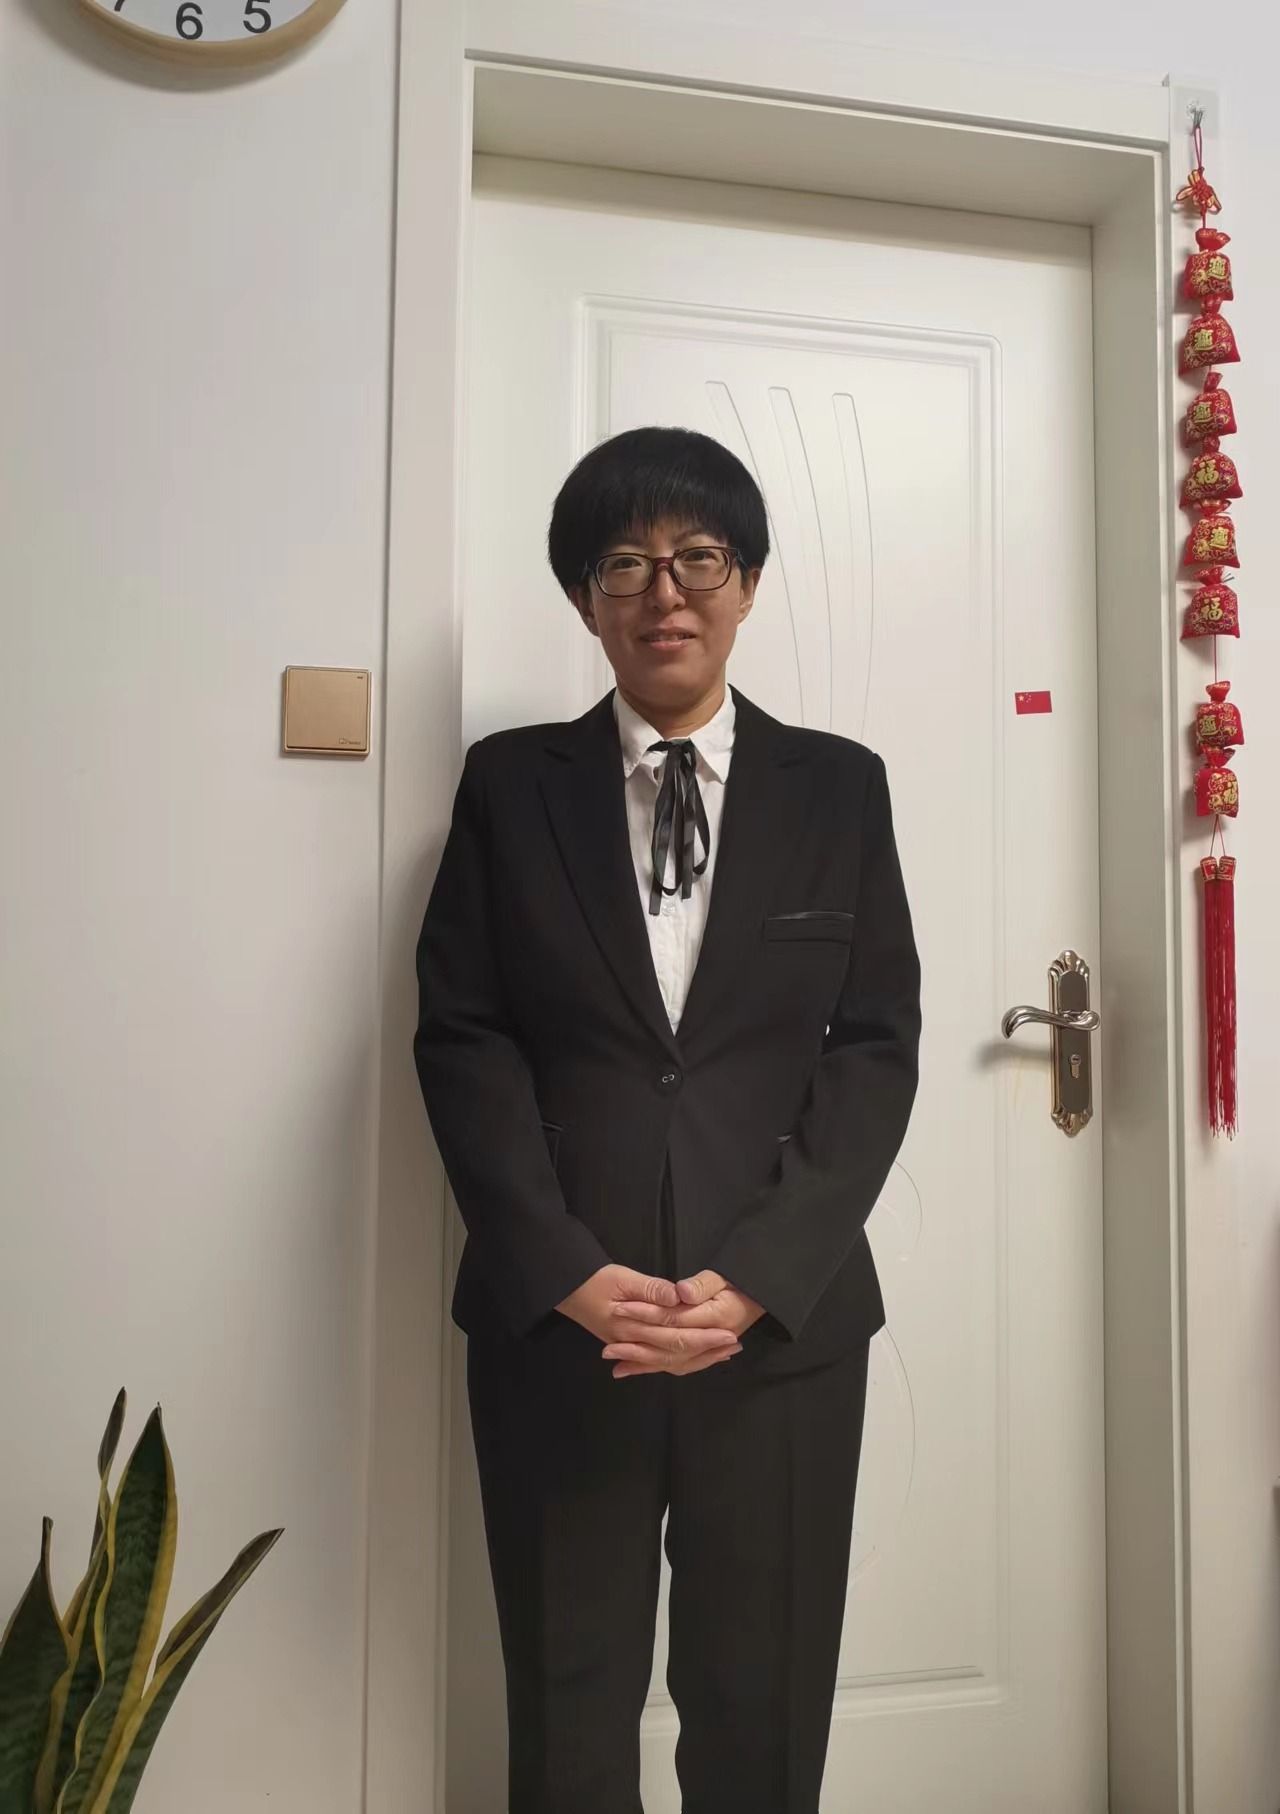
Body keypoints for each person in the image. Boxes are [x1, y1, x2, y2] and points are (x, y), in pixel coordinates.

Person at [413, 424, 922, 1814]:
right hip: (561, 1324)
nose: (664, 592)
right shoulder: (510, 785)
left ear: (746, 582)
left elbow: (876, 1045)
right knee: (566, 1695)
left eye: (698, 558)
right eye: (624, 564)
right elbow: (463, 1036)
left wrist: (759, 1274)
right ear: (586, 598)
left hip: (780, 1326)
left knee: (762, 1704)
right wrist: (563, 1268)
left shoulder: (840, 788)